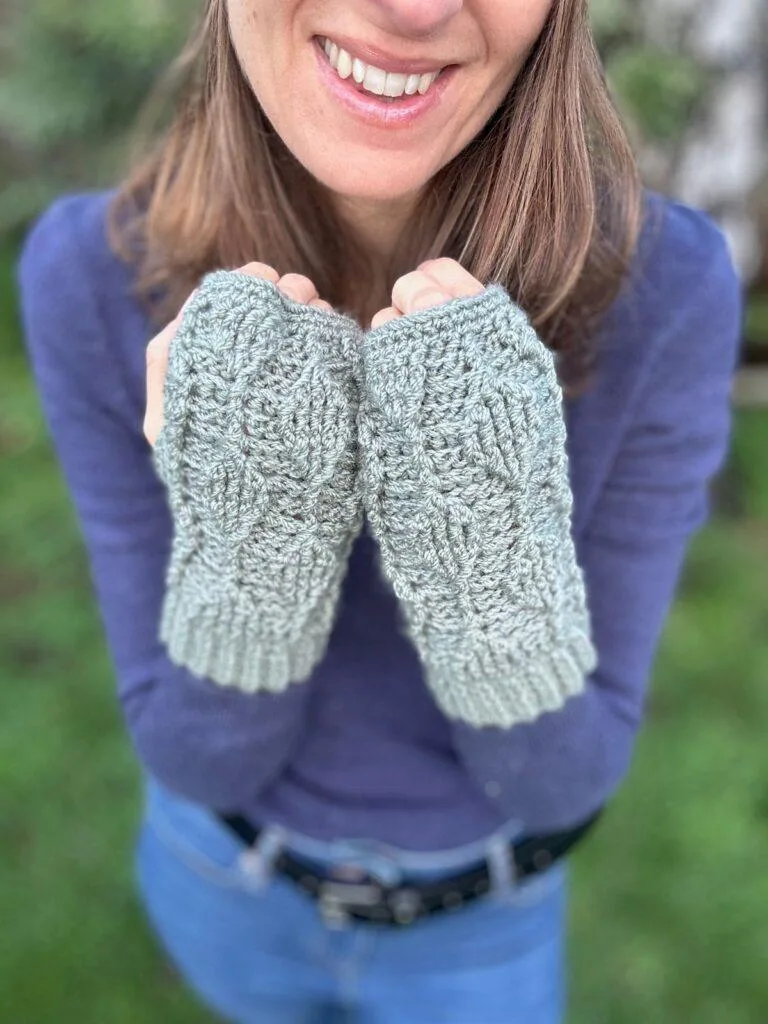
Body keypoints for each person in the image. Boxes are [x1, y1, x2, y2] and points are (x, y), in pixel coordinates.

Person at [17, 0, 742, 1021]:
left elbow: (560, 780)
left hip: (481, 927)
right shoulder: (87, 272)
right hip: (224, 879)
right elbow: (197, 752)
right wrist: (256, 531)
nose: (412, 7)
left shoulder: (667, 291)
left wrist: (484, 540)